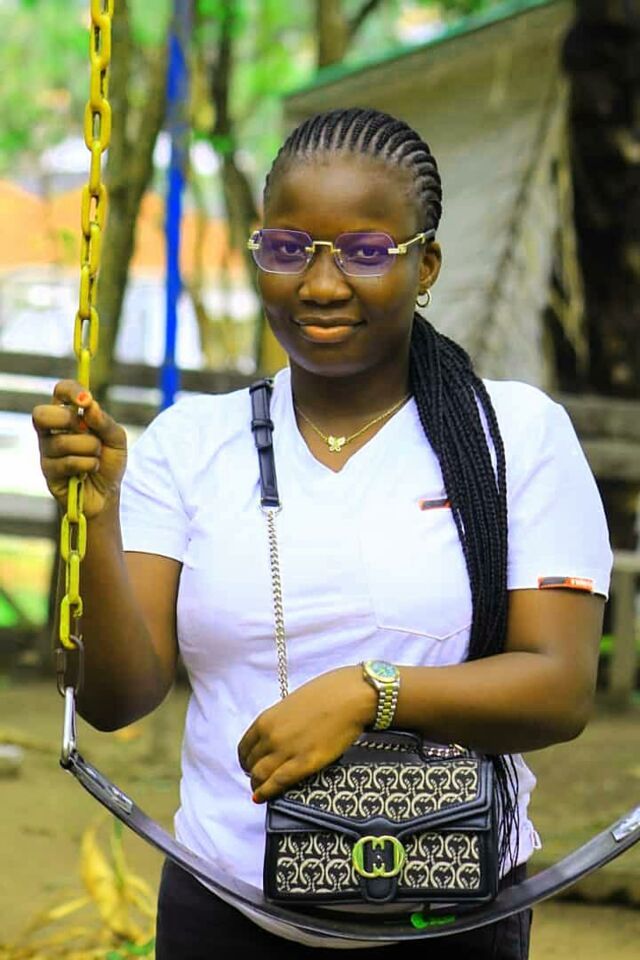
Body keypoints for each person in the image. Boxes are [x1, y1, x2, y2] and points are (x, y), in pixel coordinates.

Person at [32, 107, 612, 959]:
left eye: (367, 252)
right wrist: (96, 513)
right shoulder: (192, 445)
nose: (322, 283)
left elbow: (559, 688)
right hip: (226, 910)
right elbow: (116, 699)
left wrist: (369, 693)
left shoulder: (515, 436)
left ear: (425, 265)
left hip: (449, 913)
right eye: (288, 247)